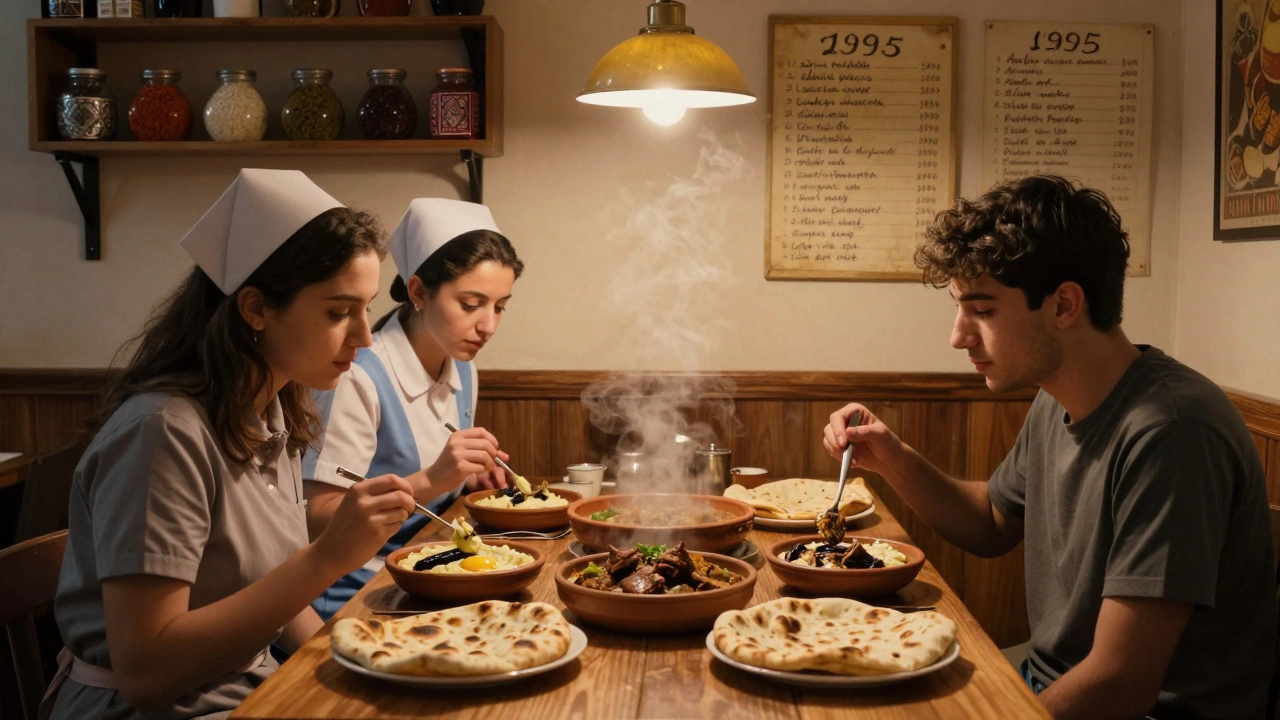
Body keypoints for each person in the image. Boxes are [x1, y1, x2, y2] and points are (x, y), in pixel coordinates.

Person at [823, 175, 1276, 720]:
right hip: (1045, 683)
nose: (958, 336)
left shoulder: (1172, 433)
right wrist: (890, 457)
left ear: (1064, 304)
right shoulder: (1057, 397)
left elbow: (1120, 685)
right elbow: (991, 520)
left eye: (983, 311)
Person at [45, 169, 417, 720]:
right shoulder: (162, 433)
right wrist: (327, 558)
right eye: (339, 313)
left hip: (253, 689)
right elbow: (146, 672)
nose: (364, 337)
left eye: (364, 309)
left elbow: (275, 598)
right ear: (255, 309)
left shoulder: (274, 414)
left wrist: (364, 656)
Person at [302, 197, 524, 620]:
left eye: (500, 307)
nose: (489, 325)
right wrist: (433, 478)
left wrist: (471, 471)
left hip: (436, 570)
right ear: (419, 291)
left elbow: (441, 477)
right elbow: (318, 519)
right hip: (361, 594)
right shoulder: (357, 376)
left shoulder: (461, 364)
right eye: (471, 304)